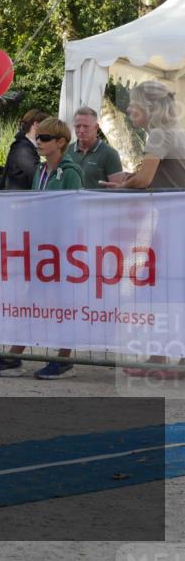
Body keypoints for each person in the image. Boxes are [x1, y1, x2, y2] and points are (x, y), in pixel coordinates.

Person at [0, 117, 82, 379]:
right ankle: (15, 356)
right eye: (38, 137)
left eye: (45, 138)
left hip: (62, 250)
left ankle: (63, 358)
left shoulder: (70, 172)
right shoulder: (41, 171)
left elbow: (76, 211)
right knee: (31, 302)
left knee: (63, 304)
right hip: (42, 249)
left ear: (61, 142)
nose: (39, 142)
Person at [102, 81, 185, 378]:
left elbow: (145, 179)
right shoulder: (173, 133)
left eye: (133, 102)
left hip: (175, 225)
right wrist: (129, 180)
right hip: (175, 222)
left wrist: (125, 185)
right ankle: (161, 358)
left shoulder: (159, 135)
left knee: (169, 291)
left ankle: (162, 359)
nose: (128, 108)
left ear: (149, 107)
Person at [68, 106, 122, 189]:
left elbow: (117, 188)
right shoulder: (67, 151)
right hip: (70, 201)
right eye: (78, 126)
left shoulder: (109, 154)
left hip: (97, 201)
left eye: (86, 126)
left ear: (96, 127)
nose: (81, 130)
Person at [0, 109, 49, 190]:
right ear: (36, 125)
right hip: (17, 200)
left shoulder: (24, 146)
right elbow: (38, 176)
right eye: (47, 126)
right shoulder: (23, 149)